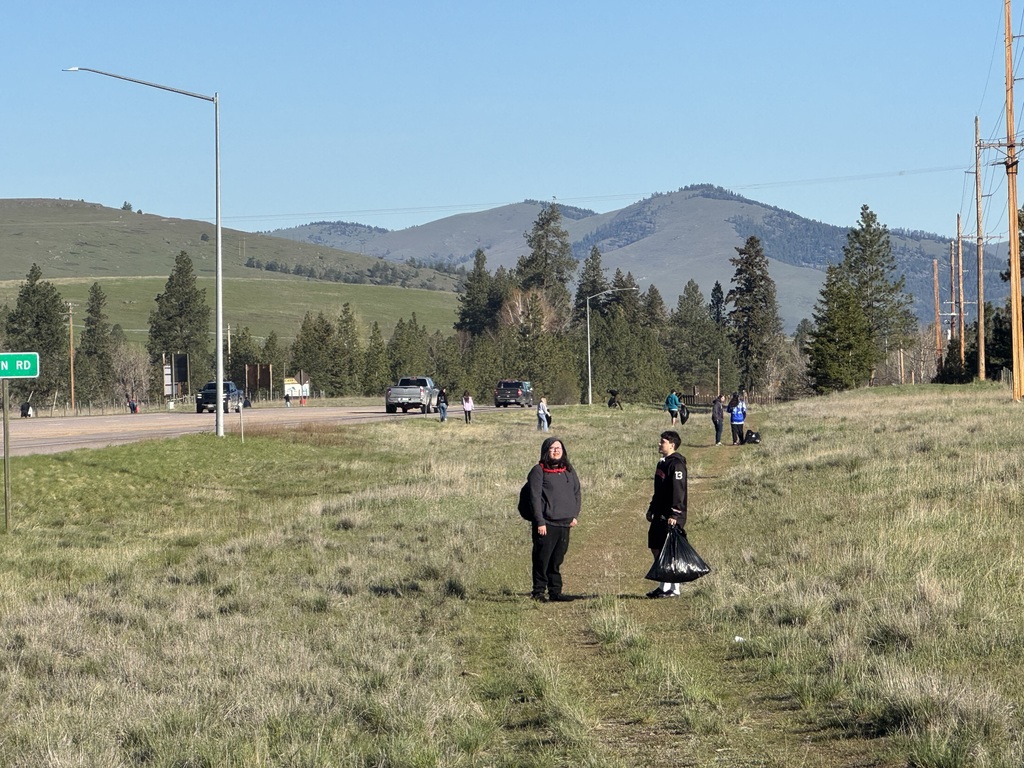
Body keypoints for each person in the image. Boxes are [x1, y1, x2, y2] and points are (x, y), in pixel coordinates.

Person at [526, 437, 581, 602]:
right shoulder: (538, 471)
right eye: (552, 448)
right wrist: (540, 521)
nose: (556, 451)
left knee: (557, 559)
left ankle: (555, 592)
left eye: (559, 448)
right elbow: (534, 498)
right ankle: (538, 592)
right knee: (542, 559)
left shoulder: (568, 470)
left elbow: (577, 493)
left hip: (565, 523)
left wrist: (574, 515)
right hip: (546, 524)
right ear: (545, 451)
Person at [645, 430, 687, 598]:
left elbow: (679, 491)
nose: (659, 444)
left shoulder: (677, 464)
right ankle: (663, 584)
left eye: (662, 442)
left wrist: (675, 514)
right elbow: (658, 491)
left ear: (672, 445)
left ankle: (672, 588)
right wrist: (651, 508)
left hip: (671, 515)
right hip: (659, 514)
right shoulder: (662, 463)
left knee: (669, 551)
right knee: (656, 547)